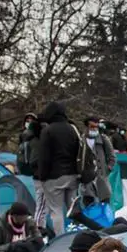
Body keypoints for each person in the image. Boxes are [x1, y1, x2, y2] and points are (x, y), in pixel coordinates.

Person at [37, 101, 81, 236]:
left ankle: (60, 238)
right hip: (72, 175)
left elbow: (44, 157)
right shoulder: (72, 129)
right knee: (73, 210)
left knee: (56, 211)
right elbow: (78, 151)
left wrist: (42, 176)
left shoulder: (47, 131)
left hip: (53, 177)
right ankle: (77, 235)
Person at [79, 116, 115, 205]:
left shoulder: (103, 139)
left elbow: (112, 157)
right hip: (87, 178)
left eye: (96, 127)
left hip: (101, 177)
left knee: (105, 203)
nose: (94, 129)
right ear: (87, 127)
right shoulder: (81, 140)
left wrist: (108, 169)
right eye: (92, 126)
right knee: (88, 203)